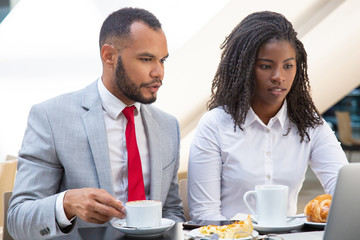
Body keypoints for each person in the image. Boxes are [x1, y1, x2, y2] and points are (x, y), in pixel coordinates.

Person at [8, 7, 185, 239]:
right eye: (146, 59)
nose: (158, 72)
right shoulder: (52, 118)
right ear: (109, 55)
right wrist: (67, 203)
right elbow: (18, 219)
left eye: (162, 60)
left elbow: (171, 211)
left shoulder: (167, 126)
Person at [187, 11, 348, 220]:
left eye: (288, 66)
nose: (278, 77)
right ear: (244, 68)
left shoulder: (310, 125)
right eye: (265, 66)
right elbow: (204, 214)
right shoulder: (215, 125)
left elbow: (345, 191)